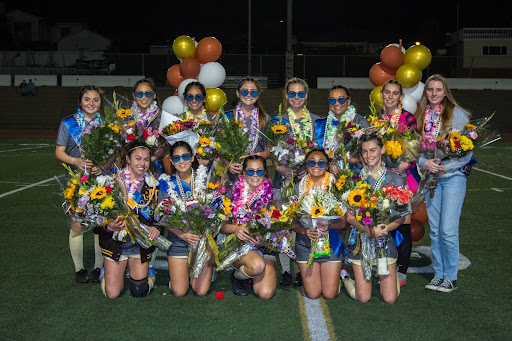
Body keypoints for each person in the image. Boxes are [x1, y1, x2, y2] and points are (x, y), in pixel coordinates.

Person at [416, 74, 472, 293]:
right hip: (431, 180)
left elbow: (466, 154)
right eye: (430, 89)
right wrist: (425, 162)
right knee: (436, 231)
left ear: (445, 92)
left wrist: (444, 167)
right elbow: (418, 153)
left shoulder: (457, 115)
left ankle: (451, 276)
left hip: (453, 178)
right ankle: (439, 274)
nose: (434, 93)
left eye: (438, 90)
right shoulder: (423, 115)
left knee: (448, 230)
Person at [343, 133, 407, 303]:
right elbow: (349, 216)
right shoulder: (354, 180)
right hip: (361, 240)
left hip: (384, 240)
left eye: (373, 150)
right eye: (364, 152)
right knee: (363, 298)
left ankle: (390, 280)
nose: (368, 155)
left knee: (390, 298)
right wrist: (363, 228)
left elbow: (402, 217)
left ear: (382, 150)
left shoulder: (396, 179)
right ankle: (345, 277)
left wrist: (384, 228)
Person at [273, 77, 321, 287]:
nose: (296, 98)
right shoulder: (278, 121)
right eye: (292, 94)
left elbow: (322, 152)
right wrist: (280, 167)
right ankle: (284, 269)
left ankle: (304, 267)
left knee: (308, 222)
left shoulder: (317, 121)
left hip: (309, 182)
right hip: (284, 179)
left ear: (306, 96)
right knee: (282, 223)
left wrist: (309, 171)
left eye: (300, 93)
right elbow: (273, 151)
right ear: (286, 96)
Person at [55, 85, 105, 284]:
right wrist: (75, 161)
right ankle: (79, 268)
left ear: (100, 102)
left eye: (95, 100)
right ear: (80, 101)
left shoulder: (107, 123)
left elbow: (114, 152)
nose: (91, 103)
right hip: (77, 181)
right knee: (77, 224)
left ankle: (98, 267)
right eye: (87, 99)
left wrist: (103, 166)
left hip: (101, 179)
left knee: (100, 225)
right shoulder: (68, 123)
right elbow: (59, 151)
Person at [98, 144, 162, 298]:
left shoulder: (155, 184)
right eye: (138, 159)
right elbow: (96, 219)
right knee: (112, 294)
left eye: (146, 160)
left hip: (139, 245)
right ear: (127, 158)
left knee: (139, 292)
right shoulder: (111, 183)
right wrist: (109, 226)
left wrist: (157, 227)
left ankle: (150, 273)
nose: (142, 164)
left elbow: (162, 215)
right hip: (116, 243)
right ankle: (104, 274)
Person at [379, 79, 420, 286]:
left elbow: (414, 144)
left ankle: (401, 272)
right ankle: (382, 265)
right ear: (382, 95)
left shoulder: (407, 118)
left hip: (403, 176)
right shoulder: (377, 118)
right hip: (381, 177)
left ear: (401, 97)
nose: (391, 97)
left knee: (403, 223)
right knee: (383, 221)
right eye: (387, 92)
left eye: (395, 93)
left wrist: (406, 162)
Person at [220, 155, 277, 299]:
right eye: (251, 171)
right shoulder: (231, 191)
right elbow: (220, 226)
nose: (255, 175)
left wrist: (264, 241)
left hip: (265, 245)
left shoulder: (274, 194)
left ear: (265, 172)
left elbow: (282, 228)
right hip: (240, 245)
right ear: (243, 173)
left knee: (265, 293)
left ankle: (246, 276)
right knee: (257, 266)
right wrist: (235, 229)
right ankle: (237, 275)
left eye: (260, 171)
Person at [291, 149, 345, 299]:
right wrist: (304, 230)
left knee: (329, 294)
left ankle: (339, 279)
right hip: (306, 243)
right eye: (311, 162)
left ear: (327, 165)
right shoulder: (298, 187)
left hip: (331, 241)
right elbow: (291, 222)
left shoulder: (337, 187)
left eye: (321, 162)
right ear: (306, 165)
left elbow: (343, 223)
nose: (316, 165)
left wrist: (329, 225)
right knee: (313, 294)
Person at [165, 141, 213, 296]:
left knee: (201, 291)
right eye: (176, 158)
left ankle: (190, 269)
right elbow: (162, 217)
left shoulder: (206, 179)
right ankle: (179, 274)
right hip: (179, 239)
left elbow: (217, 212)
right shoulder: (167, 184)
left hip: (202, 240)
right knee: (179, 291)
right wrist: (181, 235)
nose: (181, 161)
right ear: (171, 161)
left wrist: (209, 239)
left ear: (193, 157)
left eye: (185, 156)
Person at [225, 77, 270, 177]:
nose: (249, 95)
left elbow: (268, 152)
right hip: (234, 171)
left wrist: (254, 156)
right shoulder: (227, 117)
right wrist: (227, 163)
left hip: (257, 173)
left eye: (253, 92)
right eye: (245, 92)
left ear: (258, 95)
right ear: (238, 93)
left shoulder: (265, 119)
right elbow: (219, 149)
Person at [315, 85, 369, 156]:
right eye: (332, 100)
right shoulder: (320, 124)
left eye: (341, 99)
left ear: (348, 101)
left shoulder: (361, 122)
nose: (337, 103)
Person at [131, 78, 165, 177]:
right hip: (133, 166)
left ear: (154, 95)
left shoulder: (162, 117)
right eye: (139, 94)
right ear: (134, 96)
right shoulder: (128, 117)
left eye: (148, 94)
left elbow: (165, 145)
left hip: (156, 165)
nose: (144, 97)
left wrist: (153, 157)